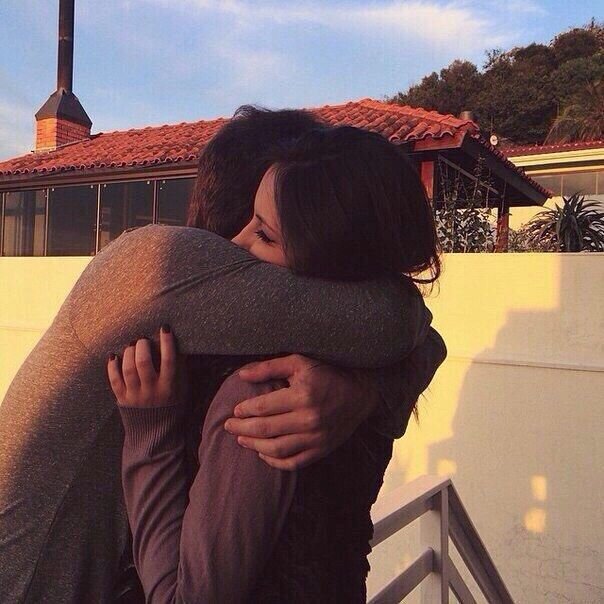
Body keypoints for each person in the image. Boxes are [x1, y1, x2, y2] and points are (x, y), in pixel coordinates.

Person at [0, 108, 446, 603]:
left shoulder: (251, 364)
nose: (238, 243)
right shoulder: (162, 265)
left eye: (266, 228)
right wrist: (371, 389)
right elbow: (395, 320)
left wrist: (365, 391)